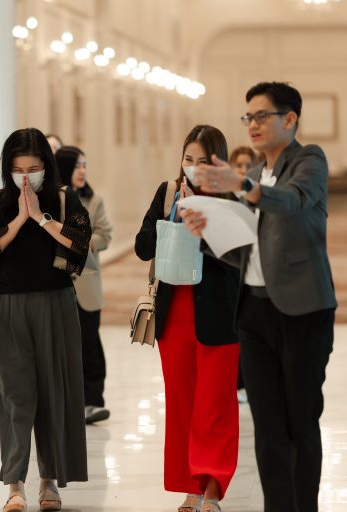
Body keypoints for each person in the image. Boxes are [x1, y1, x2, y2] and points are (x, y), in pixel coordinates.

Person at [181, 82, 337, 512]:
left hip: (303, 311)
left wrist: (243, 185)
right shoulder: (256, 174)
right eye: (248, 117)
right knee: (267, 429)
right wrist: (206, 234)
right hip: (253, 312)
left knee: (299, 423)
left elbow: (293, 202)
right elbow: (249, 250)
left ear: (290, 119)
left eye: (261, 116)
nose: (252, 124)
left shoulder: (308, 161)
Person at [0, 128, 91, 512]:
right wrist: (20, 218)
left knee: (53, 395)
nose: (26, 178)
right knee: (15, 396)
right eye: (18, 170)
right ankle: (14, 483)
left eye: (34, 169)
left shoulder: (64, 199)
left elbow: (79, 246)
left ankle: (49, 480)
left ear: (46, 167)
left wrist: (40, 218)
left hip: (55, 304)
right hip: (7, 306)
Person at [134, 125, 240, 512]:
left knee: (215, 405)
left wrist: (205, 224)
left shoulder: (232, 201)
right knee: (182, 403)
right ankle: (191, 487)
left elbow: (238, 259)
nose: (192, 167)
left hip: (219, 315)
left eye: (202, 161)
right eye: (188, 159)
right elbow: (142, 246)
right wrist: (174, 220)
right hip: (175, 314)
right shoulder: (167, 194)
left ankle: (213, 486)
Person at [55, 145, 113, 424]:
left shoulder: (94, 200)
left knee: (90, 344)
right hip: (58, 283)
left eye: (85, 165)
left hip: (87, 284)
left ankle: (93, 401)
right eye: (77, 165)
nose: (82, 171)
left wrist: (83, 242)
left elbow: (105, 234)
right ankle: (67, 402)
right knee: (62, 346)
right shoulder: (52, 201)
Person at [229, 145, 258, 404]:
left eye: (248, 166)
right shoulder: (226, 198)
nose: (243, 170)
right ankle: (237, 382)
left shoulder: (258, 198)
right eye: (238, 165)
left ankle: (249, 382)